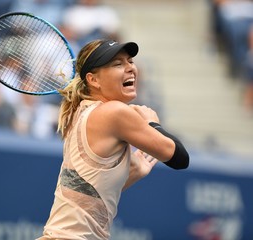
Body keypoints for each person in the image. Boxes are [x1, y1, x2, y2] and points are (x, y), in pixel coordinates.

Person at [37, 39, 189, 240]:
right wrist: (153, 123)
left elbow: (86, 191)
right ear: (93, 80)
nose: (130, 69)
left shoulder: (81, 113)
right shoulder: (114, 112)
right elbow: (179, 158)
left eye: (130, 61)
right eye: (118, 64)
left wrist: (132, 172)